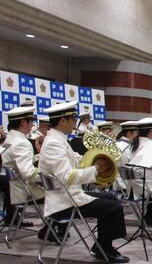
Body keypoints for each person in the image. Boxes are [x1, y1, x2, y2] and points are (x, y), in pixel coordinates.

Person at [39, 101, 129, 263]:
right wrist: (95, 169)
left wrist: (96, 158)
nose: (76, 122)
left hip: (69, 195)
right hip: (63, 203)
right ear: (62, 121)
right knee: (113, 207)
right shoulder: (53, 143)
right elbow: (66, 175)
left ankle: (101, 245)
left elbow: (74, 160)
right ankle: (105, 249)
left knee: (111, 198)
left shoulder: (58, 139)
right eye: (73, 118)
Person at [1, 106, 43, 230]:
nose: (33, 125)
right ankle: (55, 228)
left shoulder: (10, 138)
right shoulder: (22, 143)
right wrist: (49, 177)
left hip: (14, 185)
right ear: (23, 122)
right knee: (61, 190)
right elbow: (28, 173)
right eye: (31, 121)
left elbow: (15, 162)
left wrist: (39, 156)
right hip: (23, 188)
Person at [114, 121, 139, 194]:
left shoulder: (117, 144)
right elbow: (127, 170)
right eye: (136, 133)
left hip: (117, 182)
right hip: (124, 185)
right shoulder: (126, 148)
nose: (137, 136)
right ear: (129, 133)